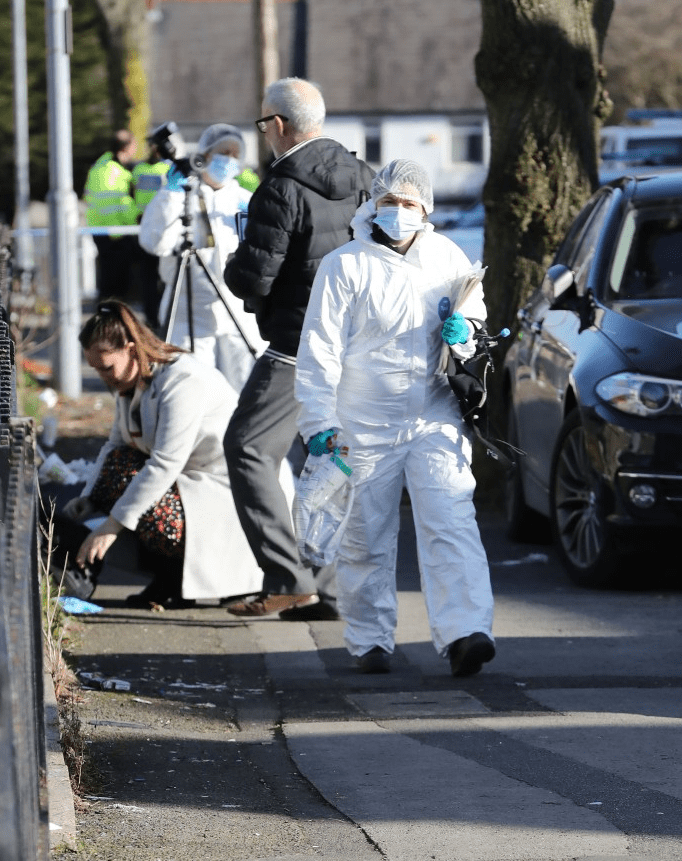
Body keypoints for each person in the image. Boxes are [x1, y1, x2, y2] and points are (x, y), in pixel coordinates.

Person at [294, 159, 495, 676]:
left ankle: (466, 632)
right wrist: (320, 424)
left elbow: (476, 320)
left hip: (434, 415)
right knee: (366, 533)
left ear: (426, 208)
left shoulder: (446, 255)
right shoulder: (345, 266)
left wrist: (465, 334)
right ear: (373, 205)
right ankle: (369, 639)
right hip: (363, 422)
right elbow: (319, 350)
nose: (400, 211)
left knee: (451, 519)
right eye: (391, 202)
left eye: (410, 203)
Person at [222, 77, 374, 620]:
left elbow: (255, 279)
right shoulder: (363, 175)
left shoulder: (281, 187)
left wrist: (231, 264)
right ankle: (330, 591)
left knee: (248, 447)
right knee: (329, 461)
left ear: (279, 125)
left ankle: (288, 578)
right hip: (355, 347)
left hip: (297, 345)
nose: (264, 133)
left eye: (264, 123)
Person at [61, 300, 263, 609]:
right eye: (96, 369)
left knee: (131, 478)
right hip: (190, 483)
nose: (104, 377)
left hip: (224, 492)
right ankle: (170, 577)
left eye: (107, 367)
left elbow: (165, 463)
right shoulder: (132, 378)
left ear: (131, 349)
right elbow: (115, 446)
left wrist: (110, 527)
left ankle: (176, 577)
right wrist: (89, 497)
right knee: (120, 469)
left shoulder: (183, 381)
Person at [138, 123, 264, 393]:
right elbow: (154, 242)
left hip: (238, 313)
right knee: (189, 389)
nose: (227, 159)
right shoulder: (183, 195)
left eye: (234, 153)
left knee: (245, 386)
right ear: (204, 154)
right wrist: (171, 194)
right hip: (188, 308)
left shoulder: (246, 201)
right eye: (222, 152)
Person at [83, 129, 139, 301]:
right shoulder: (114, 172)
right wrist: (135, 222)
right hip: (116, 233)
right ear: (126, 148)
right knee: (116, 286)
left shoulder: (100, 166)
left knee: (106, 280)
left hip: (100, 230)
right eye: (134, 145)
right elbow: (115, 204)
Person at [132, 139, 170, 329]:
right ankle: (158, 318)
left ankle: (153, 317)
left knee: (150, 277)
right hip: (162, 230)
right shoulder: (168, 169)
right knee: (161, 277)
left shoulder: (139, 170)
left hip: (146, 229)